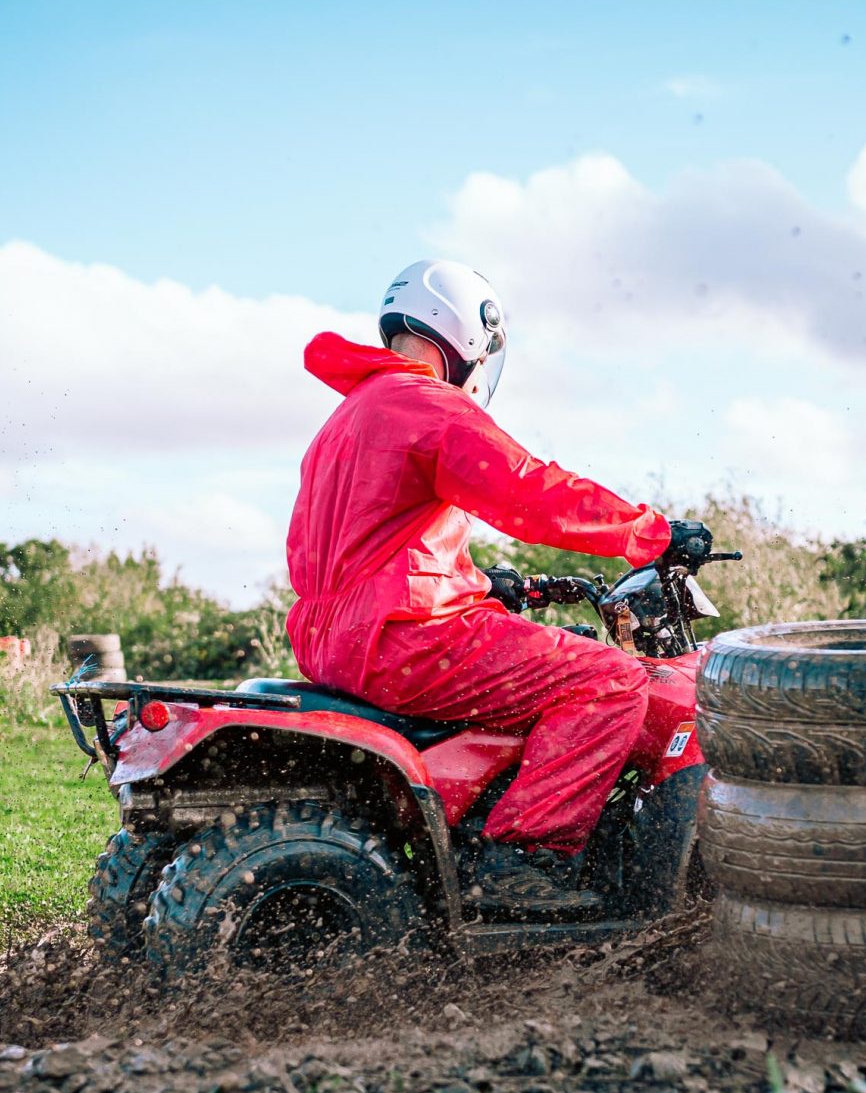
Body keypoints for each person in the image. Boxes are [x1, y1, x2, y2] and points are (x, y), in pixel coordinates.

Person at [285, 259, 706, 916]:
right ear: (469, 335)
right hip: (408, 638)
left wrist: (482, 583)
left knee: (556, 657)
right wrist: (649, 533)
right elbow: (528, 492)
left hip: (335, 638)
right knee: (610, 681)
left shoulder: (349, 417)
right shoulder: (430, 406)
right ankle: (524, 857)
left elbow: (370, 545)